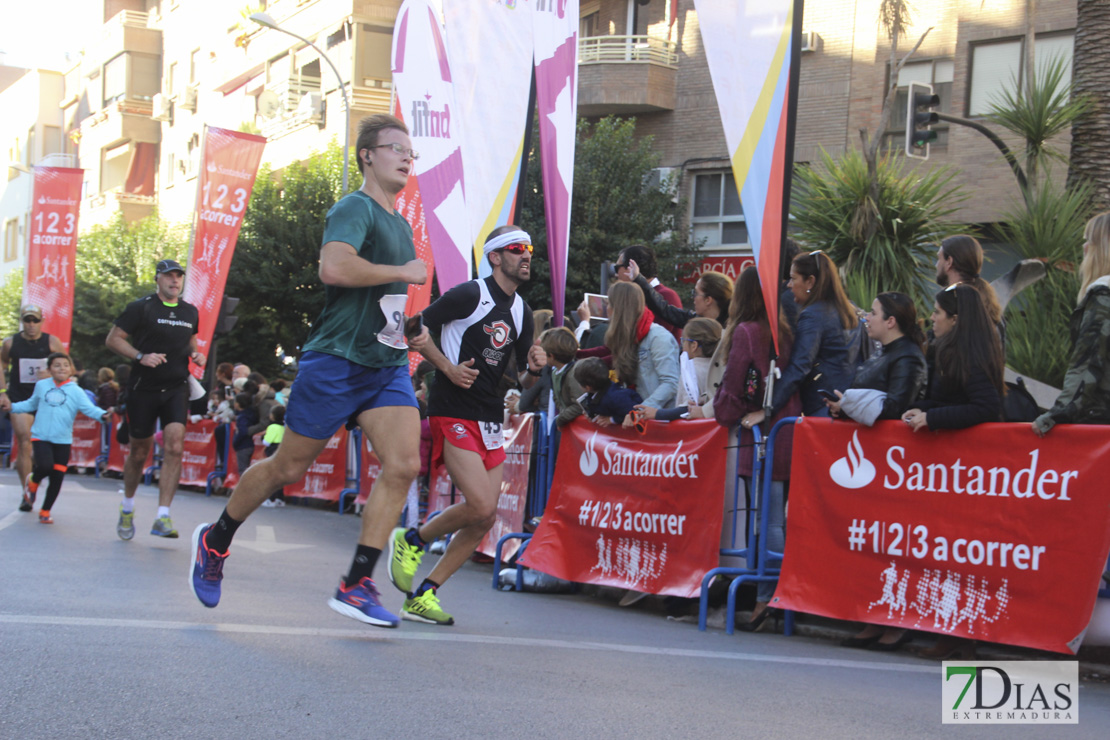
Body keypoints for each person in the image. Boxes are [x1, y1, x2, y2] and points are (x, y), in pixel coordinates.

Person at [190, 113, 430, 629]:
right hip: (337, 362)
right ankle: (217, 539)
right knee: (287, 468)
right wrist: (401, 272)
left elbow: (379, 299)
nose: (408, 157)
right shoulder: (354, 207)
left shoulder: (402, 222)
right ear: (367, 154)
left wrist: (408, 330)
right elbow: (335, 268)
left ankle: (356, 583)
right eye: (396, 148)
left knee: (404, 465)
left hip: (384, 365)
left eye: (412, 152)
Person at [387, 224, 541, 626]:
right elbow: (413, 326)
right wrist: (447, 369)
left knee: (486, 518)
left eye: (529, 249)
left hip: (490, 417)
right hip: (453, 408)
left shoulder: (522, 309)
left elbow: (525, 373)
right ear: (495, 256)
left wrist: (538, 369)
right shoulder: (471, 293)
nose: (526, 255)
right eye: (516, 248)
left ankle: (424, 594)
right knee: (480, 503)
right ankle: (412, 540)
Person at [712, 266, 800, 632]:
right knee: (775, 515)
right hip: (784, 424)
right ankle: (771, 593)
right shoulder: (783, 331)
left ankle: (767, 596)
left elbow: (733, 383)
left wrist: (723, 411)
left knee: (766, 516)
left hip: (760, 433)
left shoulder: (747, 332)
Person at [105, 259, 204, 539]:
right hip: (143, 388)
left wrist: (197, 355)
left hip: (176, 387)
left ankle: (163, 517)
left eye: (179, 277)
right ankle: (127, 506)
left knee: (174, 446)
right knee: (139, 453)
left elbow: (190, 343)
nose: (175, 281)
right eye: (169, 276)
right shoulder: (141, 307)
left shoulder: (190, 311)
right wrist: (140, 356)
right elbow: (113, 339)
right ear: (158, 279)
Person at [751, 250, 859, 421]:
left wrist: (767, 409)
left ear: (810, 281)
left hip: (823, 406)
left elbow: (799, 366)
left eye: (793, 279)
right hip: (848, 405)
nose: (788, 285)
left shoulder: (813, 315)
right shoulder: (850, 310)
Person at [1033, 211, 1110, 436]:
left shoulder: (1103, 296)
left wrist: (1056, 414)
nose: (1084, 247)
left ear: (1101, 248)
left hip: (1101, 420)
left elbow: (1087, 362)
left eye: (1088, 240)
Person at [12, 352, 111, 522]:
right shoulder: (42, 385)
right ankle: (33, 481)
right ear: (49, 369)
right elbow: (31, 404)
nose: (61, 368)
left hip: (63, 439)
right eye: (57, 365)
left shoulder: (76, 391)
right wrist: (11, 407)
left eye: (65, 365)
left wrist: (103, 415)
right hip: (41, 436)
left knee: (57, 477)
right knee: (45, 466)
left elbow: (89, 408)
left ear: (71, 369)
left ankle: (45, 511)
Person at [902, 284, 1004, 433]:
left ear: (954, 319)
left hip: (970, 450)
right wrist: (921, 409)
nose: (932, 317)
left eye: (937, 312)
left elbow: (986, 407)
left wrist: (932, 417)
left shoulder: (971, 357)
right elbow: (952, 401)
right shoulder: (954, 352)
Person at [825, 292, 927, 426]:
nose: (866, 318)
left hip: (890, 444)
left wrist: (846, 407)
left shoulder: (908, 358)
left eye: (873, 313)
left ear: (890, 321)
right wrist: (841, 408)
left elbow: (895, 409)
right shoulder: (883, 352)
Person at [0, 304, 66, 496]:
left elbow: (65, 367)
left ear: (41, 321)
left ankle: (35, 478)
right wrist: (3, 392)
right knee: (24, 441)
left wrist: (51, 374)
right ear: (22, 321)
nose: (31, 324)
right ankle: (27, 492)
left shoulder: (52, 342)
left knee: (45, 447)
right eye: (27, 320)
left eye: (35, 320)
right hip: (20, 398)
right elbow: (2, 362)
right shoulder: (10, 343)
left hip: (46, 399)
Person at [631, 317, 720, 422]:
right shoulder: (719, 369)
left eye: (684, 341)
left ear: (694, 346)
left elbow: (687, 409)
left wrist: (656, 413)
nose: (682, 346)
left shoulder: (690, 371)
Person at [935, 234, 1003, 342]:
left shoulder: (955, 305)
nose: (936, 265)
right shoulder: (986, 302)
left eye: (939, 258)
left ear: (949, 262)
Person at [629, 266, 732, 329]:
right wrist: (639, 280)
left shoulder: (731, 332)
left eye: (696, 293)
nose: (693, 298)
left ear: (708, 300)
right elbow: (665, 309)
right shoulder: (693, 320)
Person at [615, 244, 683, 338]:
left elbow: (654, 339)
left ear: (631, 267)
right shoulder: (636, 296)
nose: (616, 275)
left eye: (617, 268)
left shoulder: (667, 295)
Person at [575, 356, 642, 426]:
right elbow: (596, 404)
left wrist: (612, 419)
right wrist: (591, 413)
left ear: (587, 387)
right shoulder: (598, 390)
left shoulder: (615, 398)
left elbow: (633, 412)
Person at [260, 405, 286, 507]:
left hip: (272, 451)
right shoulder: (284, 427)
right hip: (281, 450)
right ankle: (280, 499)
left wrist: (264, 436)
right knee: (280, 476)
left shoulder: (272, 427)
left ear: (272, 416)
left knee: (272, 476)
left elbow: (266, 442)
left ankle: (271, 499)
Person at [231, 392, 258, 482]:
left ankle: (245, 490)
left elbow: (242, 431)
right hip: (249, 444)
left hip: (243, 445)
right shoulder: (250, 414)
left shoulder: (242, 417)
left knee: (243, 469)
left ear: (238, 404)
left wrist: (236, 442)